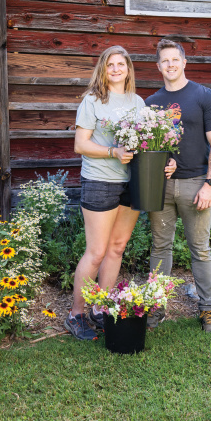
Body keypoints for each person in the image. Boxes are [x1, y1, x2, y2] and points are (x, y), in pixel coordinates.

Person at [146, 38, 211, 334]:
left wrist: (210, 184)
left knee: (200, 250)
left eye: (174, 59)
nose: (170, 65)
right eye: (164, 61)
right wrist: (159, 164)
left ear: (184, 62)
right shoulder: (151, 103)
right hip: (161, 187)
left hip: (196, 185)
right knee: (159, 248)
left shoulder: (205, 97)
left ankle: (208, 310)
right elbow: (147, 147)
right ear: (158, 67)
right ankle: (157, 307)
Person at [66, 45, 144, 340]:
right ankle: (76, 314)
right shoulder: (92, 100)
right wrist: (113, 150)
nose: (115, 69)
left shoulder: (138, 102)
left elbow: (149, 141)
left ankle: (100, 308)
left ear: (128, 69)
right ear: (103, 69)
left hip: (132, 182)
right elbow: (80, 145)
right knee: (97, 251)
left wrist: (167, 158)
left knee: (117, 247)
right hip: (100, 181)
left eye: (120, 64)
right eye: (110, 64)